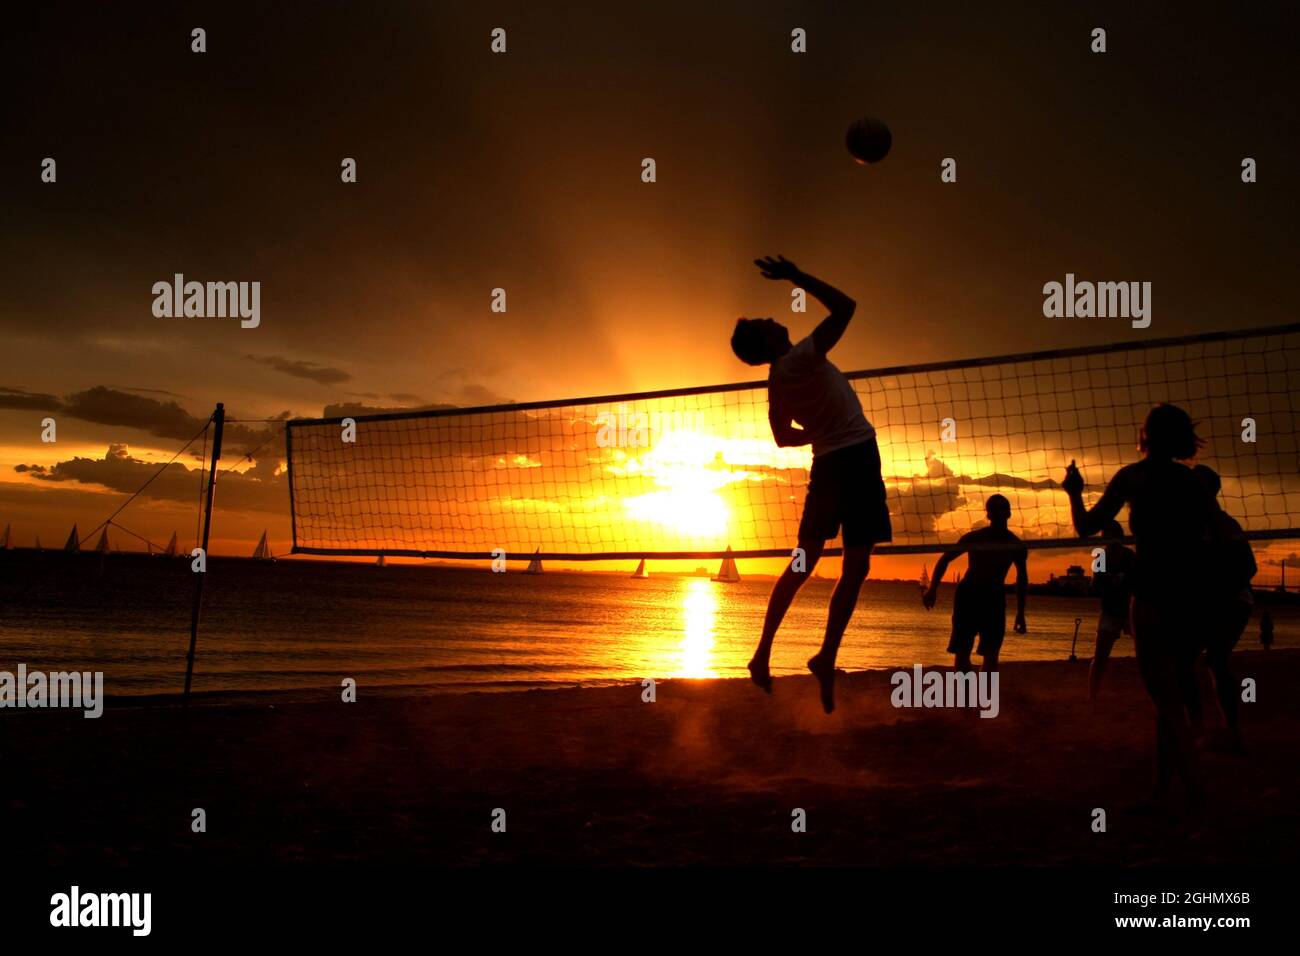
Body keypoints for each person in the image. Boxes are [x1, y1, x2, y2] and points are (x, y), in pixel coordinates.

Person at [733, 255, 891, 714]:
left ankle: (765, 654)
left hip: (828, 465)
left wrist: (819, 434)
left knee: (803, 564)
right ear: (766, 339)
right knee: (854, 566)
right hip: (856, 459)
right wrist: (797, 277)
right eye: (766, 320)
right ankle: (823, 655)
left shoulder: (775, 383)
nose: (774, 317)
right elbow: (846, 307)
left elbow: (783, 438)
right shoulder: (800, 356)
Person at [1062, 403, 1215, 812]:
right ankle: (1162, 790)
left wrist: (1074, 492)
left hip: (1151, 596)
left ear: (1146, 436)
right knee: (1171, 698)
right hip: (1190, 598)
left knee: (1166, 702)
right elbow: (1212, 538)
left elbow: (1085, 527)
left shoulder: (1133, 476)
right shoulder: (1192, 482)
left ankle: (1196, 794)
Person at [1184, 465, 1256, 752]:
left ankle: (1229, 730)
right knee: (1191, 662)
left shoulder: (1224, 524)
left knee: (1211, 660)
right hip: (1212, 602)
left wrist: (1217, 592)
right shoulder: (1189, 524)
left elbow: (1249, 567)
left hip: (1234, 601)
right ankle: (1200, 727)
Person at [922, 494, 1027, 672]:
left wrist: (1021, 613)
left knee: (991, 653)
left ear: (1009, 513)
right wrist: (932, 588)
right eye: (995, 509)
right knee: (963, 651)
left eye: (1002, 508)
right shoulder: (976, 537)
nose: (999, 512)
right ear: (989, 514)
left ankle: (985, 697)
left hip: (994, 597)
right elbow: (946, 559)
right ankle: (966, 697)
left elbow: (1022, 578)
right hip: (969, 594)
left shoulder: (1015, 544)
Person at [1089, 519, 1136, 700]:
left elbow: (1137, 582)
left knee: (1147, 654)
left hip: (1130, 610)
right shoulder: (1100, 557)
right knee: (1100, 657)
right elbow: (1096, 587)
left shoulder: (1129, 556)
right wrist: (1111, 580)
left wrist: (1120, 580)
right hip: (1110, 611)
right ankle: (1092, 695)